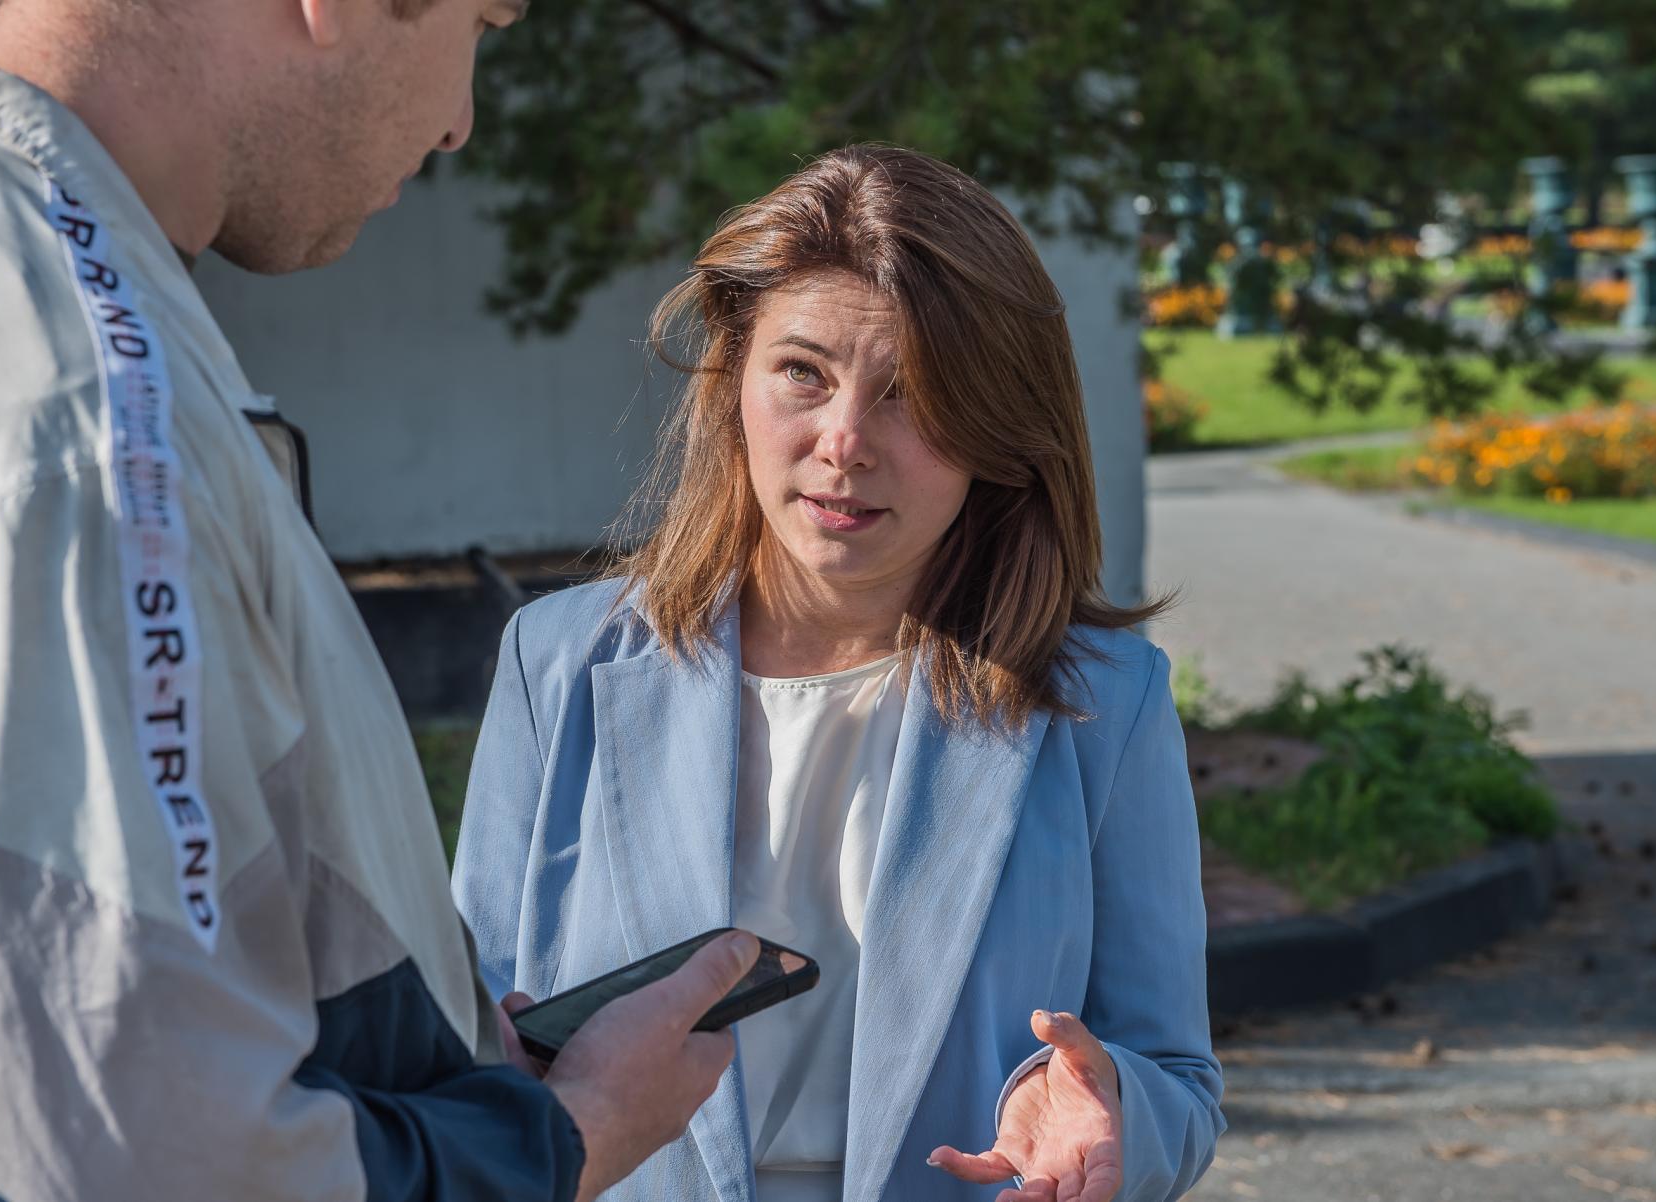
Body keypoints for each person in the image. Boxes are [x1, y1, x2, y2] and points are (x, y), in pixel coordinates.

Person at [0, 3, 756, 1199]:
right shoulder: (80, 434)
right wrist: (576, 1129)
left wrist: (433, 1042)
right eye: (483, 24)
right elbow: (156, 1162)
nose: (459, 122)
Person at [452, 144, 1227, 1202]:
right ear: (732, 382)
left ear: (998, 432)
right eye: (802, 372)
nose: (845, 441)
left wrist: (1108, 1114)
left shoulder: (1103, 701)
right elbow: (466, 1051)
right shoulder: (559, 664)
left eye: (911, 392)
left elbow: (1178, 1081)